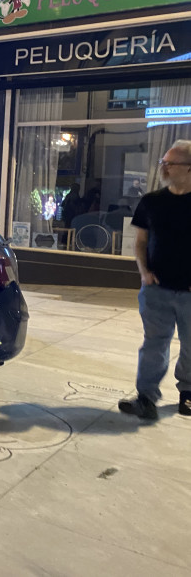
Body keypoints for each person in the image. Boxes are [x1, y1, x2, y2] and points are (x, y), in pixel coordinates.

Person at [119, 140, 191, 420]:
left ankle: (188, 395)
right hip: (156, 289)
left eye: (169, 163)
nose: (163, 168)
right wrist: (144, 272)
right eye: (163, 162)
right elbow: (140, 242)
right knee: (154, 344)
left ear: (187, 169)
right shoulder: (152, 201)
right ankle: (146, 397)